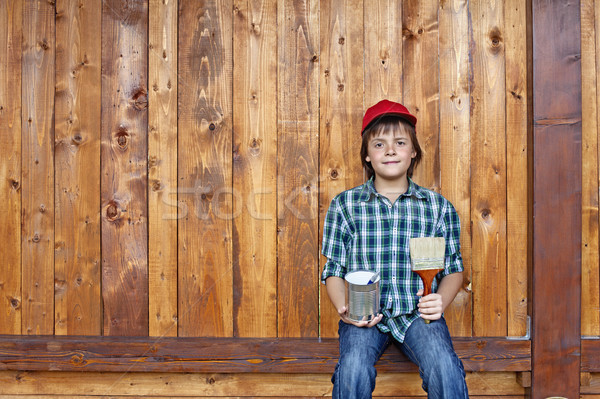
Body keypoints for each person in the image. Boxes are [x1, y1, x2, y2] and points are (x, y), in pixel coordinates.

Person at [321, 99, 469, 398]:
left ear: (413, 151)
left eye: (400, 142)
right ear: (367, 155)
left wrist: (440, 300)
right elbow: (333, 270)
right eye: (379, 144)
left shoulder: (437, 208)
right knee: (352, 370)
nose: (390, 150)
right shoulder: (346, 206)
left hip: (417, 315)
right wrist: (344, 310)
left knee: (445, 367)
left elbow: (454, 270)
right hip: (364, 318)